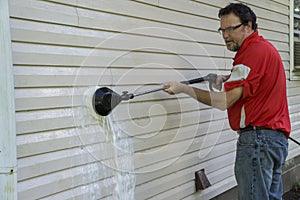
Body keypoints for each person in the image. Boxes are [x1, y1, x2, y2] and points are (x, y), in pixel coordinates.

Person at [163, 3, 290, 200]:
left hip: (258, 142)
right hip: (274, 142)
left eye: (230, 29)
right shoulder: (263, 49)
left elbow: (223, 102)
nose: (225, 35)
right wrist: (227, 78)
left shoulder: (251, 53)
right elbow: (254, 84)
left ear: (248, 26)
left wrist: (183, 88)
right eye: (222, 30)